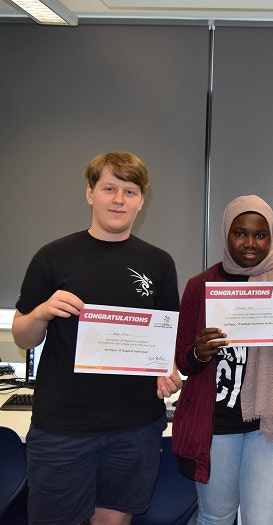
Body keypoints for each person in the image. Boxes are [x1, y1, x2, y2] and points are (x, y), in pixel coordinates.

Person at [12, 151, 182, 525]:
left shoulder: (159, 263)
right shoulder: (52, 257)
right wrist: (41, 312)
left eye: (130, 191)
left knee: (113, 521)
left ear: (141, 200)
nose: (119, 200)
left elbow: (165, 339)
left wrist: (166, 368)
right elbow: (23, 337)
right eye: (109, 188)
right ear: (90, 193)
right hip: (63, 428)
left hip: (135, 426)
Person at [171, 195, 273, 524]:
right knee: (215, 517)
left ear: (272, 236)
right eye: (240, 233)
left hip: (272, 424)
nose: (251, 243)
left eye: (260, 234)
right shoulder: (201, 286)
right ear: (226, 233)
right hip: (216, 424)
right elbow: (183, 359)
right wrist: (198, 352)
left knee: (264, 521)